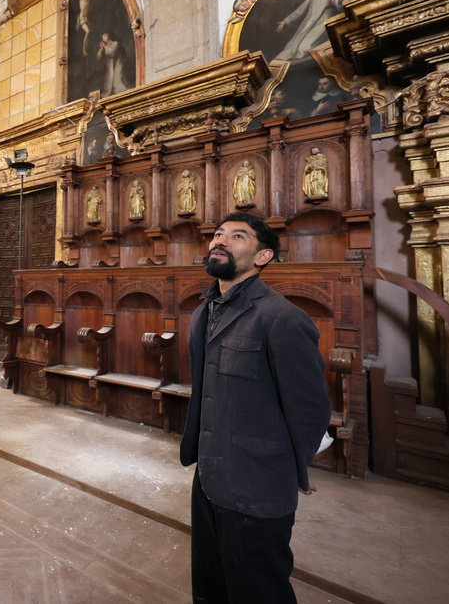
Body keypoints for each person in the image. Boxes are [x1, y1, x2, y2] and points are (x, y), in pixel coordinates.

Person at [180, 212, 331, 603]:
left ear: (263, 257)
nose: (220, 240)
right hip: (210, 475)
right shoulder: (203, 313)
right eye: (217, 234)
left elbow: (310, 407)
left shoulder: (281, 317)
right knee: (211, 585)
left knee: (258, 590)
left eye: (237, 236)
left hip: (258, 483)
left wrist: (295, 470)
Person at [273, 0, 346, 63]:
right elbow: (300, 10)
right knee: (293, 48)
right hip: (309, 22)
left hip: (323, 22)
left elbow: (339, 7)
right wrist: (286, 21)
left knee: (305, 47)